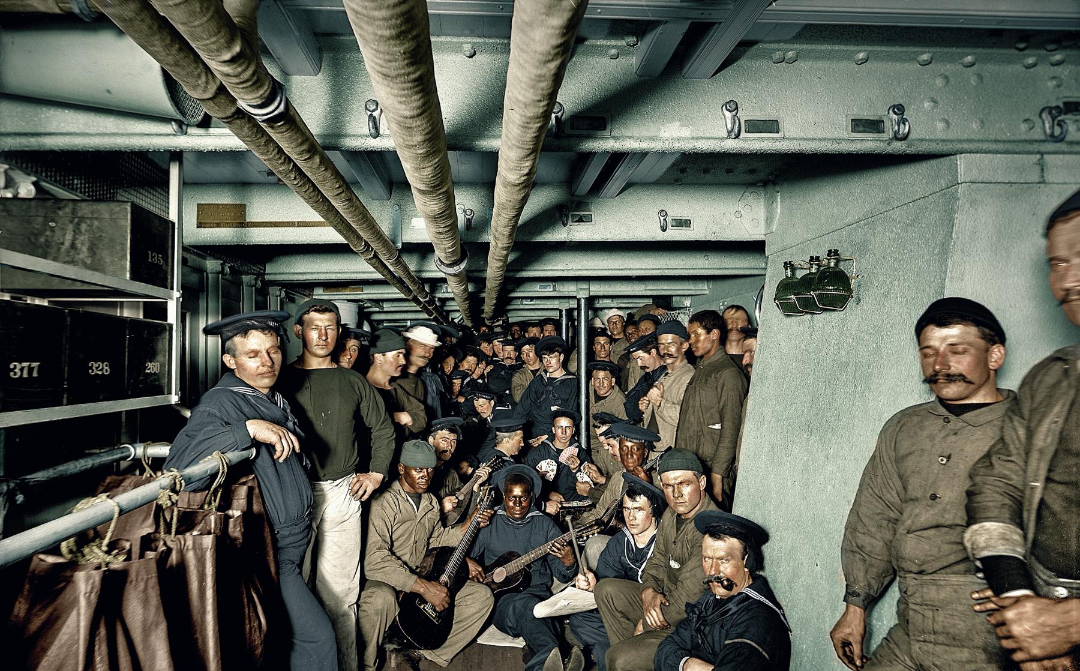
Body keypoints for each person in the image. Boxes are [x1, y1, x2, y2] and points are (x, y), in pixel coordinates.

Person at [830, 298, 1013, 671]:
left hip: (984, 633)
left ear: (995, 356)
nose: (940, 365)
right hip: (911, 624)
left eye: (957, 351)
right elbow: (874, 518)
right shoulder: (904, 427)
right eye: (928, 352)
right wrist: (855, 606)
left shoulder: (1025, 428)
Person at [164, 310, 338, 671]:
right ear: (230, 360)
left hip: (294, 540)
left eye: (273, 350)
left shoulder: (272, 396)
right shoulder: (221, 402)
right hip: (269, 549)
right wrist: (247, 429)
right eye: (253, 354)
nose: (268, 361)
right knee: (317, 637)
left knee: (281, 641)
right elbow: (177, 473)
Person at [965, 189, 1080, 669]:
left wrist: (1069, 624)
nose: (1068, 281)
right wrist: (1018, 603)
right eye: (1057, 264)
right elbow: (995, 483)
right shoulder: (1050, 378)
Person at [277, 299, 397, 671]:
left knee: (342, 592)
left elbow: (383, 430)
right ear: (299, 332)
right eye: (315, 327)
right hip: (293, 492)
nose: (323, 334)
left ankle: (345, 666)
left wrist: (375, 473)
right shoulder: (281, 381)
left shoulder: (352, 381)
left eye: (330, 327)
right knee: (295, 587)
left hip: (343, 492)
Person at [358, 440, 495, 671]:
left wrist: (470, 523)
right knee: (379, 600)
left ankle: (419, 652)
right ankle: (366, 665)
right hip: (388, 578)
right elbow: (375, 561)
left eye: (430, 469)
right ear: (402, 469)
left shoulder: (431, 501)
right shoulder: (384, 502)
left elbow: (437, 540)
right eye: (418, 470)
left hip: (422, 572)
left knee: (480, 597)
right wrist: (422, 588)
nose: (425, 475)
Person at [595, 449, 719, 671]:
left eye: (684, 484)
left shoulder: (710, 529)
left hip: (689, 623)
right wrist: (649, 591)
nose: (677, 494)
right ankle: (633, 655)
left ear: (701, 482)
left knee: (618, 658)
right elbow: (657, 560)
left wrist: (646, 622)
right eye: (669, 486)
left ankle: (627, 657)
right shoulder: (672, 514)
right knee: (606, 590)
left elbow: (687, 601)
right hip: (664, 601)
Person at [469, 465, 583, 671]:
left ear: (532, 496)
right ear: (504, 496)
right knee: (529, 610)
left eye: (524, 497)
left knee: (540, 620)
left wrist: (569, 561)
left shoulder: (545, 525)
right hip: (502, 601)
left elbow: (563, 575)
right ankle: (552, 658)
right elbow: (465, 559)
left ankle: (548, 663)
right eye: (512, 497)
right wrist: (471, 548)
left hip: (540, 597)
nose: (518, 504)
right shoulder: (490, 522)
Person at [655, 510, 791, 671]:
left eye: (724, 560)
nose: (713, 571)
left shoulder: (757, 622)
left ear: (747, 561)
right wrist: (686, 664)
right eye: (707, 559)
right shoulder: (712, 600)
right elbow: (665, 649)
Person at [570, 475, 665, 671]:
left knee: (602, 638)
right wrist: (592, 585)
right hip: (626, 609)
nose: (630, 517)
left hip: (659, 612)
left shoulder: (665, 541)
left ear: (653, 511)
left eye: (638, 510)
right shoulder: (620, 542)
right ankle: (620, 656)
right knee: (580, 619)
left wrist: (644, 621)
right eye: (627, 509)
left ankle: (613, 657)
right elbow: (607, 588)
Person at [676, 309, 749, 508]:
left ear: (714, 335)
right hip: (694, 467)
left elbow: (731, 427)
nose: (691, 340)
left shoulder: (727, 373)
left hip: (712, 471)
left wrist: (718, 475)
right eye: (690, 335)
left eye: (696, 334)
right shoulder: (703, 369)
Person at [640, 320, 694, 451]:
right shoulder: (663, 375)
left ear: (684, 345)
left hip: (673, 451)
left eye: (671, 344)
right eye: (661, 345)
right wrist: (646, 408)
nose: (665, 350)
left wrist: (659, 402)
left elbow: (689, 418)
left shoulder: (690, 377)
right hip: (654, 449)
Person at [514, 336, 579, 442]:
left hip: (559, 434)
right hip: (534, 432)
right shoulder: (538, 381)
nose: (548, 362)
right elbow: (522, 409)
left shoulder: (571, 383)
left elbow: (570, 416)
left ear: (561, 357)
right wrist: (517, 433)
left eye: (552, 357)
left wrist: (549, 437)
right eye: (545, 358)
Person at [367, 329, 427, 442]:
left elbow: (421, 419)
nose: (403, 361)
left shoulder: (396, 389)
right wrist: (401, 417)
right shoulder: (361, 388)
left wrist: (400, 416)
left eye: (403, 355)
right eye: (397, 355)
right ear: (378, 357)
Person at [525, 408, 589, 513]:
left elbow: (588, 487)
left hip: (574, 505)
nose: (563, 432)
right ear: (554, 429)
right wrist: (548, 494)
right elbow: (527, 484)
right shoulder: (538, 453)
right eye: (560, 427)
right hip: (547, 505)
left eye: (568, 428)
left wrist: (576, 470)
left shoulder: (581, 453)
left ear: (573, 430)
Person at [586, 362, 628, 478]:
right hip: (585, 440)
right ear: (592, 381)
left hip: (605, 445)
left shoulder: (619, 402)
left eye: (605, 379)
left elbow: (624, 434)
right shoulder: (585, 390)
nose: (600, 384)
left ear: (612, 381)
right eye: (597, 379)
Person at [400, 324, 444, 421]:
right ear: (407, 345)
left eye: (432, 348)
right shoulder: (392, 379)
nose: (428, 353)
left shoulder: (426, 381)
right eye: (422, 346)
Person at [623, 336, 666, 425]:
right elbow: (630, 404)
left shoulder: (668, 375)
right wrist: (640, 408)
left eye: (641, 358)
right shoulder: (647, 377)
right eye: (636, 360)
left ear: (653, 352)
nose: (639, 364)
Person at [512, 337, 542, 403]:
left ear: (537, 352)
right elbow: (518, 398)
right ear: (522, 357)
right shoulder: (519, 376)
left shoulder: (548, 370)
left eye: (530, 351)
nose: (527, 355)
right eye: (523, 353)